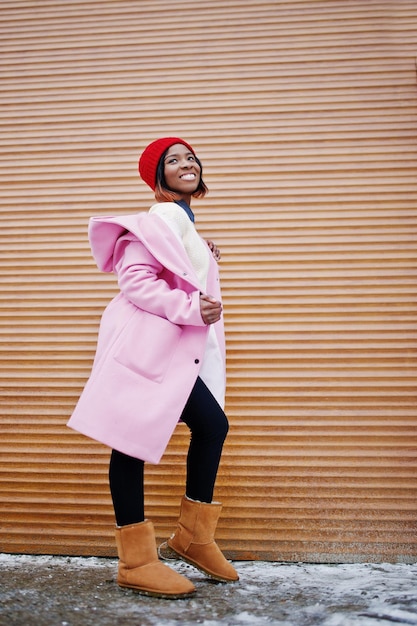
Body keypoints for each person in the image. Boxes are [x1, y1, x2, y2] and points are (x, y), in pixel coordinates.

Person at [67, 137, 239, 599]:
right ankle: (140, 560)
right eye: (173, 161)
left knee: (205, 426)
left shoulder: (181, 221)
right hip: (152, 349)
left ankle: (191, 537)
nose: (186, 164)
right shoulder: (158, 218)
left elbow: (174, 265)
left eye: (190, 157)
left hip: (168, 353)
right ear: (158, 177)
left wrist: (201, 253)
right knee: (134, 442)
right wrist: (189, 305)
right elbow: (136, 281)